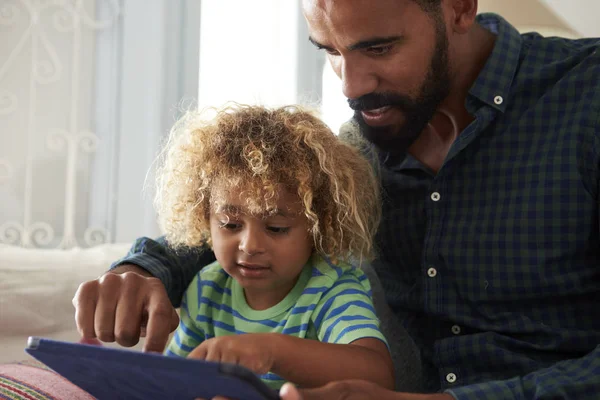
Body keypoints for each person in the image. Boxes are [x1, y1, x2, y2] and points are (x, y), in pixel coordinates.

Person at [73, 0, 600, 398]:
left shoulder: (586, 96)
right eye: (330, 52)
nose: (350, 86)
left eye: (378, 48)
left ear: (459, 7)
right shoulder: (361, 145)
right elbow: (246, 224)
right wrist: (145, 269)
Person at [146, 103, 394, 390]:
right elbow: (171, 384)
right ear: (205, 218)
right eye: (230, 224)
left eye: (276, 228)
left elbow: (377, 375)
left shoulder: (332, 288)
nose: (249, 246)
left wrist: (271, 351)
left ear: (319, 226)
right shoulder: (206, 289)